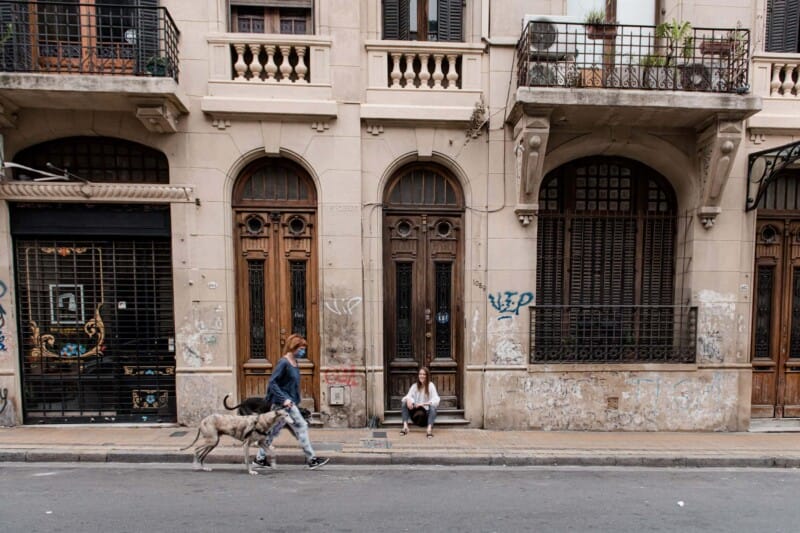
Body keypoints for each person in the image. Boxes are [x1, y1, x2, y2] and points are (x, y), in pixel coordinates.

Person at [254, 334, 329, 469]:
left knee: (272, 432)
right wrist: (285, 399)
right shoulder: (284, 363)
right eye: (301, 348)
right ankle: (312, 459)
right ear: (293, 347)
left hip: (289, 403)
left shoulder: (294, 362)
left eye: (303, 348)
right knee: (302, 426)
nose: (303, 351)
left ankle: (259, 458)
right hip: (283, 405)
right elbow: (272, 383)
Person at [399, 366, 440, 438]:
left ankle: (429, 430)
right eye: (420, 374)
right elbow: (407, 397)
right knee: (404, 402)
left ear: (427, 376)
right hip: (415, 415)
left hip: (426, 417)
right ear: (418, 375)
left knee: (433, 407)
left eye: (424, 374)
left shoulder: (431, 385)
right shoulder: (414, 386)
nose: (422, 376)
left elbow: (436, 399)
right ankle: (405, 427)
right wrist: (409, 400)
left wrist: (423, 404)